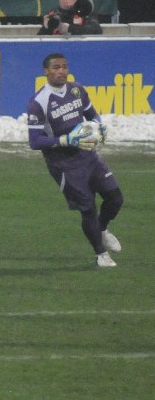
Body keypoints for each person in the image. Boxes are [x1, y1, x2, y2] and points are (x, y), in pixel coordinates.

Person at [26, 53, 123, 267]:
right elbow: (34, 141)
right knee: (87, 208)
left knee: (115, 198)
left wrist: (100, 126)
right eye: (56, 67)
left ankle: (102, 228)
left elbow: (92, 115)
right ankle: (101, 255)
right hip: (64, 165)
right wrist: (66, 139)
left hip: (88, 156)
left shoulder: (77, 90)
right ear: (46, 71)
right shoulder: (38, 102)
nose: (62, 71)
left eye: (64, 67)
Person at [37, 0, 102, 36]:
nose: (64, 0)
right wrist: (45, 28)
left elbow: (97, 30)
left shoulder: (84, 11)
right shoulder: (53, 15)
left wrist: (69, 28)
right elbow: (40, 40)